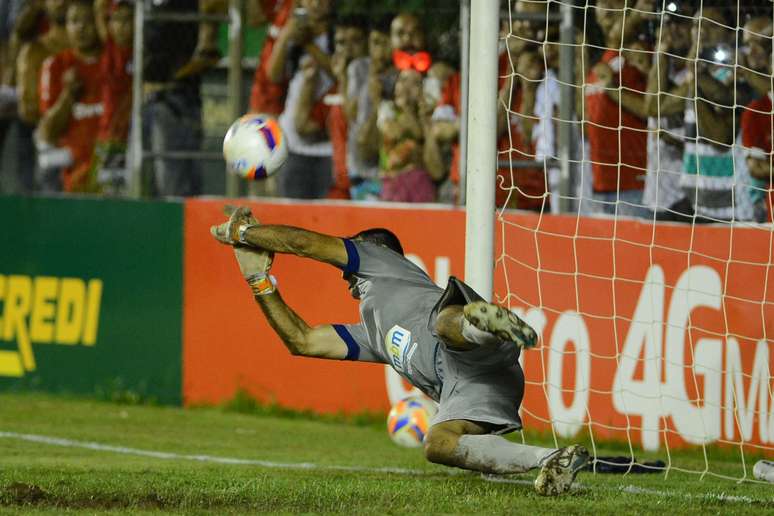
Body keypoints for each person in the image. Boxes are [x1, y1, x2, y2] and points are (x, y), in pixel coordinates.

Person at [209, 205, 590, 497]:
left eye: (349, 262)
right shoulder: (373, 332)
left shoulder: (382, 261)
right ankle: (551, 460)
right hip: (467, 387)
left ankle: (489, 325)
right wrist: (258, 280)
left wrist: (243, 233)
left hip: (468, 346)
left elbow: (305, 244)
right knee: (438, 444)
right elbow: (302, 340)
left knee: (443, 324)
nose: (345, 276)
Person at [37, 0, 104, 193]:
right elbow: (47, 132)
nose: (81, 27)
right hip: (68, 168)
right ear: (66, 26)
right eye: (74, 21)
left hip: (109, 162)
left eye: (88, 21)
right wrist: (68, 95)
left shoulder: (112, 64)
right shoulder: (56, 65)